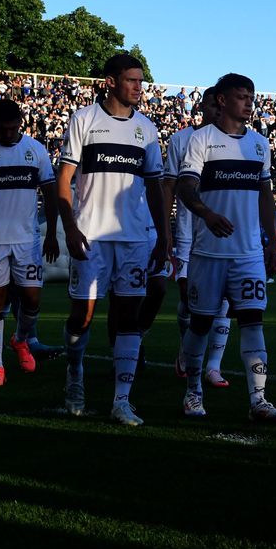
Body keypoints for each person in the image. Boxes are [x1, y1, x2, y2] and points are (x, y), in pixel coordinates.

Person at [57, 54, 170, 427]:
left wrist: (163, 234)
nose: (138, 87)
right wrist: (71, 227)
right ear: (110, 82)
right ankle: (74, 376)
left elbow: (154, 186)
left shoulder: (147, 130)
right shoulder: (84, 119)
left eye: (141, 81)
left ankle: (121, 401)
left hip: (135, 238)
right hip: (92, 235)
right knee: (82, 316)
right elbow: (65, 179)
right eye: (132, 80)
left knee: (128, 319)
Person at [176, 73, 276, 422]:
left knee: (253, 321)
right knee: (200, 325)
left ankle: (259, 400)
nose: (249, 103)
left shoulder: (260, 144)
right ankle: (193, 393)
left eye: (251, 97)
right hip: (208, 253)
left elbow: (265, 195)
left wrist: (270, 239)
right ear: (222, 101)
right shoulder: (202, 140)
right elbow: (185, 187)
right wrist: (206, 214)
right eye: (241, 97)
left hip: (248, 253)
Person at [0, 100, 60, 387]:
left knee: (32, 298)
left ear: (20, 123)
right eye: (2, 129)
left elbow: (51, 193)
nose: (7, 134)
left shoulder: (35, 150)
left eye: (12, 128)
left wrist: (52, 232)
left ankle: (20, 340)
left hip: (27, 240)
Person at [160, 87, 233, 389]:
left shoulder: (236, 140)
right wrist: (166, 230)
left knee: (225, 303)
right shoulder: (181, 140)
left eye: (221, 105)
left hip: (226, 235)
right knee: (190, 304)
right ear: (203, 106)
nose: (217, 110)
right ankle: (185, 349)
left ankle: (213, 367)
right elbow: (169, 187)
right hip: (191, 234)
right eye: (212, 105)